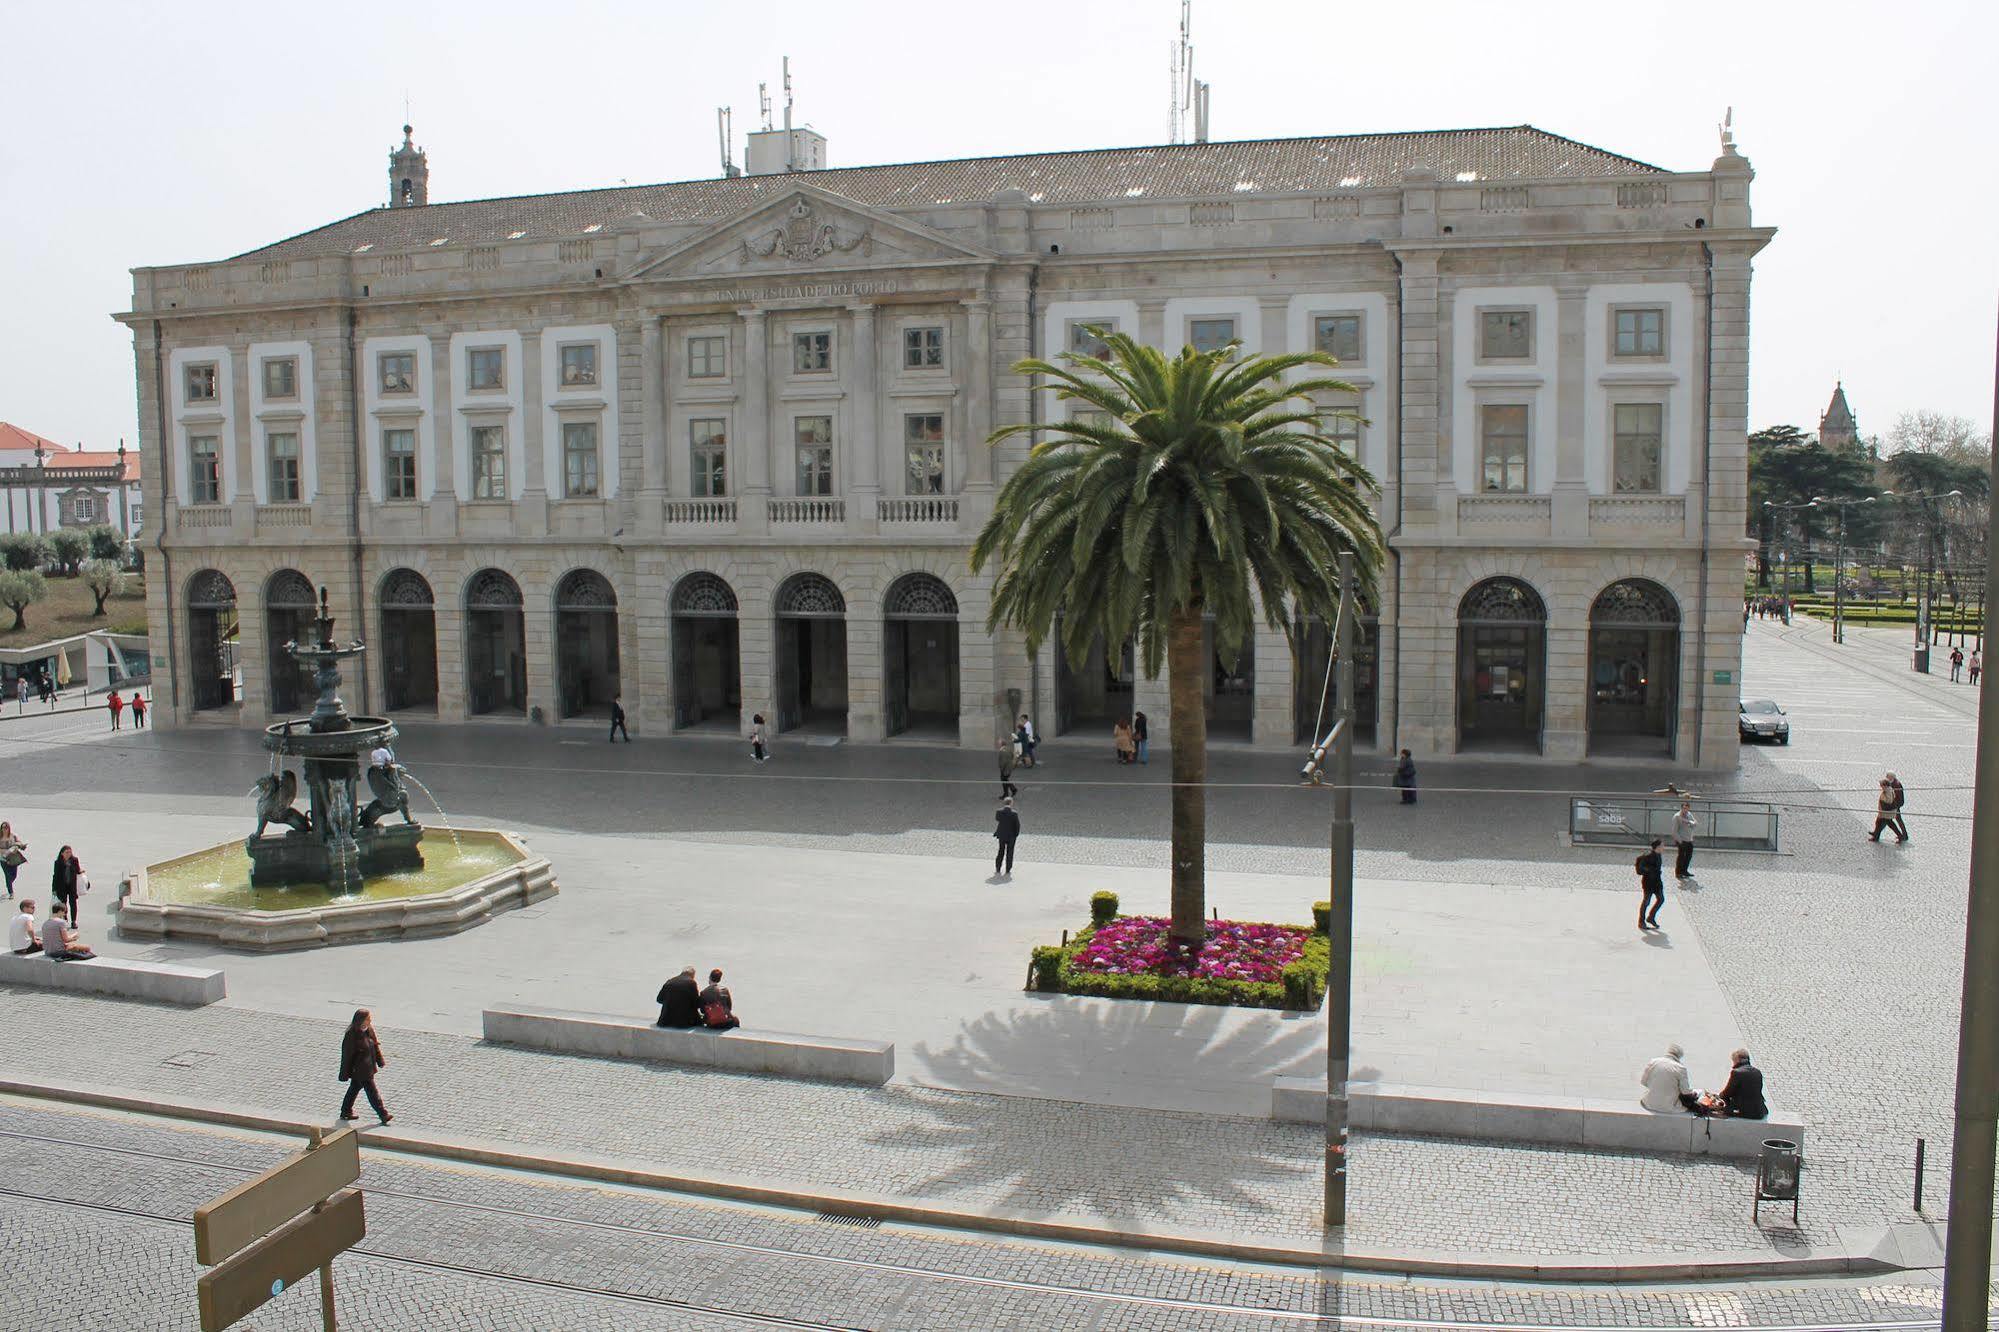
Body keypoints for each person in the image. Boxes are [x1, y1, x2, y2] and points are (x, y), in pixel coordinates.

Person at [337, 1009, 393, 1124]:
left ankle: (345, 1111)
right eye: (368, 1019)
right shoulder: (351, 1035)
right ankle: (383, 1114)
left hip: (368, 1067)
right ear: (361, 1020)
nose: (370, 1020)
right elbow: (347, 1056)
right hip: (360, 1070)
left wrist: (380, 1060)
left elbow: (375, 1045)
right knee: (372, 1092)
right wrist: (344, 1074)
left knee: (354, 1089)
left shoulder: (369, 1030)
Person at [1704, 1048, 1768, 1120]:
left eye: (1733, 1061)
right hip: (1760, 1110)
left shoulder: (1737, 1073)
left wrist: (1718, 1096)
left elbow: (1727, 1093)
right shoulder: (1757, 1072)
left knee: (1715, 1110)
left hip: (1745, 1111)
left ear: (1737, 1060)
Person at [1639, 1042, 1701, 1113]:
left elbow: (1643, 1082)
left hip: (1648, 1103)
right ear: (1679, 1056)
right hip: (1668, 1107)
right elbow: (1685, 1092)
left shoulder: (1653, 1062)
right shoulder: (1681, 1068)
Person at [1635, 837, 1666, 931]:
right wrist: (1650, 871)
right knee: (1646, 901)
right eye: (1662, 846)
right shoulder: (1648, 856)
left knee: (1661, 899)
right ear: (1658, 847)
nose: (1664, 847)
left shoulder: (1659, 855)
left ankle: (1651, 917)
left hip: (1657, 882)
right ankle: (1641, 921)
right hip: (1648, 882)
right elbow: (1641, 868)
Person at [1870, 773, 1909, 844]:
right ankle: (1876, 835)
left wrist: (1883, 802)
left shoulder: (1892, 788)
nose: (1881, 787)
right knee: (1880, 822)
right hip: (1888, 810)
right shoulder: (1890, 787)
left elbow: (1889, 800)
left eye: (1882, 786)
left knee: (1891, 823)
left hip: (1889, 810)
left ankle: (1902, 836)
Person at [50, 846, 82, 928]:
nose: (69, 854)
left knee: (73, 903)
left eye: (70, 852)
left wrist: (80, 872)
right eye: (66, 852)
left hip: (72, 886)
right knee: (63, 904)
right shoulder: (58, 862)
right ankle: (64, 918)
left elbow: (78, 870)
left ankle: (74, 921)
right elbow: (55, 876)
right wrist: (54, 888)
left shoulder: (74, 860)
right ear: (62, 853)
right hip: (61, 886)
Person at [994, 797, 1021, 878]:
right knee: (1010, 852)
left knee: (1000, 851)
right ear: (1011, 803)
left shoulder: (998, 811)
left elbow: (997, 819)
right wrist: (1016, 834)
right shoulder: (1014, 813)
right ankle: (1008, 869)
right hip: (1011, 835)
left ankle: (998, 868)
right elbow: (1017, 825)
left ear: (1004, 803)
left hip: (1002, 834)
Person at [1672, 800, 1698, 879]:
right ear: (1681, 808)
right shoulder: (1677, 817)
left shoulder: (1689, 814)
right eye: (1684, 808)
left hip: (1689, 839)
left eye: (1687, 809)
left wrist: (1690, 822)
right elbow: (1674, 831)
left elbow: (1695, 823)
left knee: (1689, 856)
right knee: (1681, 856)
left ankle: (1684, 871)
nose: (1685, 810)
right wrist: (1680, 841)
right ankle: (1678, 872)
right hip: (1681, 840)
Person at [0, 821, 24, 899]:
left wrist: (19, 845)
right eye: (3, 827)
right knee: (8, 875)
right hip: (3, 859)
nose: (4, 829)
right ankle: (11, 892)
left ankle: (8, 884)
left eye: (6, 827)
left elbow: (19, 842)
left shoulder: (13, 836)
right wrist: (3, 851)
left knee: (14, 875)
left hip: (13, 858)